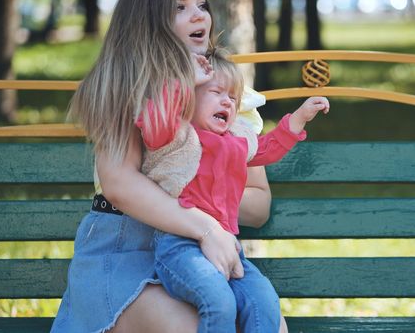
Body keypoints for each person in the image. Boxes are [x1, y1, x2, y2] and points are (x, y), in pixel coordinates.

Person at [50, 0, 288, 332]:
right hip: (125, 246)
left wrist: (201, 194)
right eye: (179, 7)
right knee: (190, 326)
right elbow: (119, 183)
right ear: (147, 20)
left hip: (199, 252)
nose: (198, 16)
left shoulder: (227, 93)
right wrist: (204, 224)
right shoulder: (126, 83)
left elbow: (258, 203)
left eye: (202, 5)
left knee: (268, 323)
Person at [135, 48, 329, 332]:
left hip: (228, 246)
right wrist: (180, 82)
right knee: (219, 301)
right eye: (216, 92)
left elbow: (264, 149)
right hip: (180, 246)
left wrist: (297, 119)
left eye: (233, 98)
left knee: (263, 303)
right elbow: (152, 122)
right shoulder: (174, 134)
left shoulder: (236, 138)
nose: (227, 101)